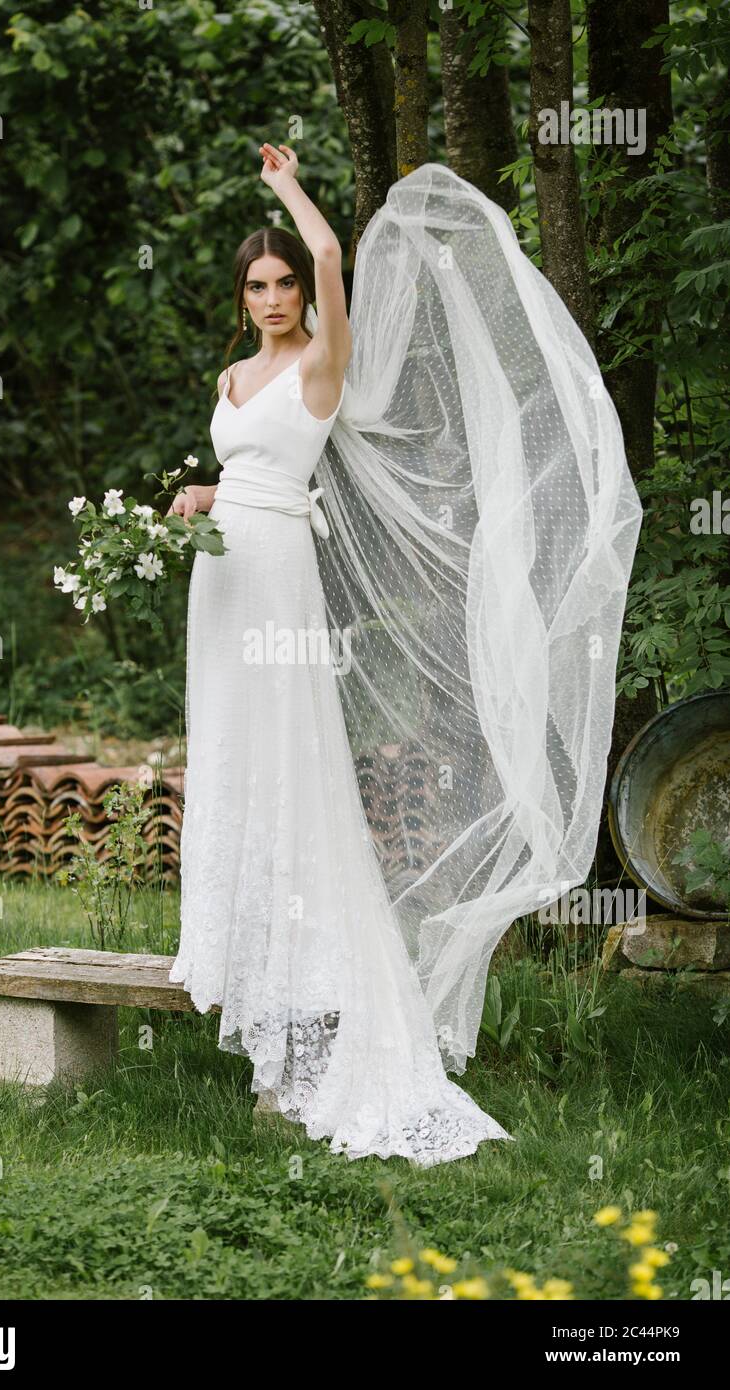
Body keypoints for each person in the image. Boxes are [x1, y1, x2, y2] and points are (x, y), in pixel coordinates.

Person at [168, 143, 641, 1167]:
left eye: (282, 282)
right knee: (235, 760)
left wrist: (285, 189)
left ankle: (314, 1024)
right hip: (220, 577)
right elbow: (240, 463)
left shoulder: (323, 364)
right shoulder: (232, 373)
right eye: (257, 285)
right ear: (239, 297)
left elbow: (336, 255)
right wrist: (200, 495)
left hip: (281, 576)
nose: (272, 298)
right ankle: (255, 986)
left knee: (293, 768)